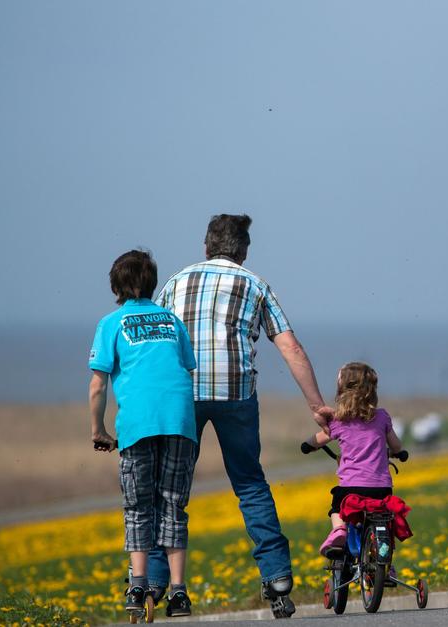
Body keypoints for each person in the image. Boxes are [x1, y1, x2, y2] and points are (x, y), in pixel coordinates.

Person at [150, 214, 334, 618]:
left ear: (206, 246)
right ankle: (277, 578)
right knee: (250, 484)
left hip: (184, 393)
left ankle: (157, 581)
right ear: (244, 250)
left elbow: (156, 344)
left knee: (170, 489)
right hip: (236, 393)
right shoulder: (255, 284)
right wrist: (317, 406)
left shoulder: (175, 282)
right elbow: (292, 349)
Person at [89, 250, 199, 618]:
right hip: (180, 422)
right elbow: (185, 368)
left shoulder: (112, 323)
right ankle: (179, 593)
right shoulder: (171, 320)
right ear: (152, 283)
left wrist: (98, 430)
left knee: (138, 507)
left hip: (137, 424)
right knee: (172, 506)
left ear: (116, 286)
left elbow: (97, 386)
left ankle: (137, 585)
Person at [300, 362, 408, 558]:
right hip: (381, 489)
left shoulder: (339, 421)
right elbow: (397, 446)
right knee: (384, 521)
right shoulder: (382, 417)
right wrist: (398, 453)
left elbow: (318, 439)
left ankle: (339, 530)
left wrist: (308, 445)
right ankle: (387, 565)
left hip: (351, 488)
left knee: (336, 507)